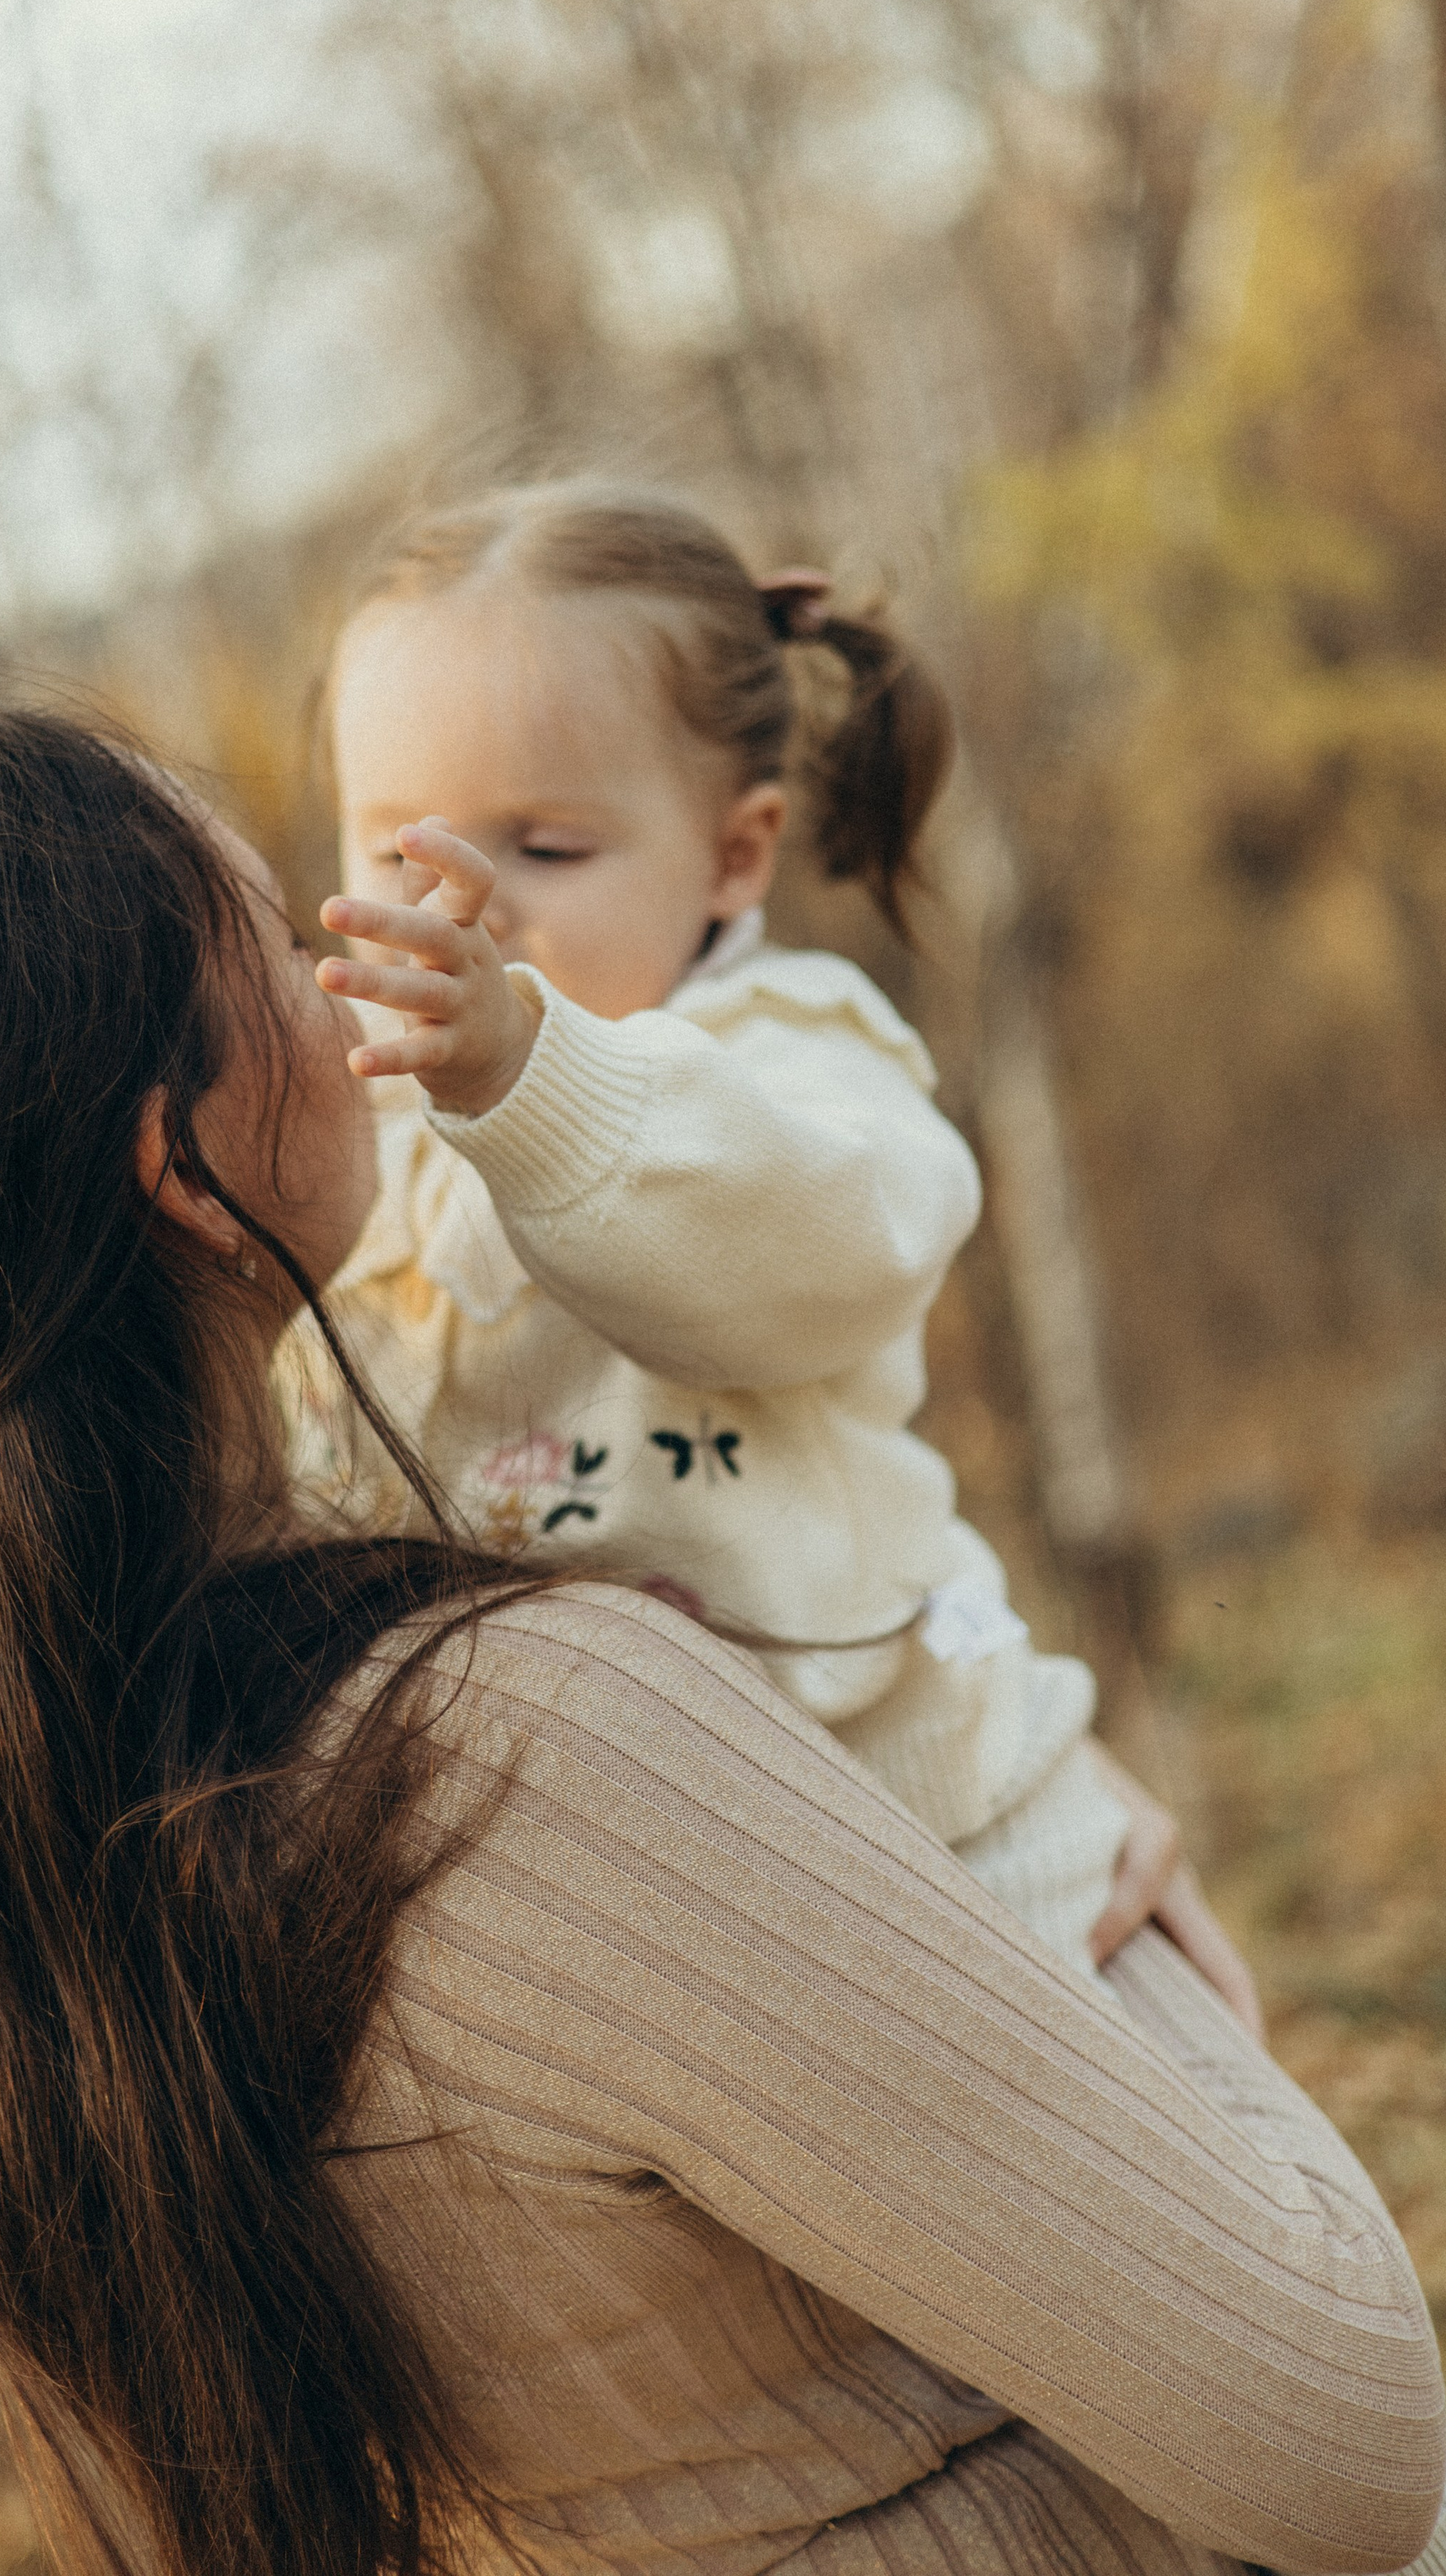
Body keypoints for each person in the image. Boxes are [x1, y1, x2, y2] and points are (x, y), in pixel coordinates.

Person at [0, 709, 1444, 2576]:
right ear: (184, 1170)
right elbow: (1337, 2441)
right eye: (284, 938)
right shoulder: (516, 1747)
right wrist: (1077, 1868)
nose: (355, 978)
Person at [305, 484, 1187, 1983]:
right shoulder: (353, 1128)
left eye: (546, 849)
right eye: (400, 852)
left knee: (1132, 2124)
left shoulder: (793, 1057)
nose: (464, 913)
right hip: (617, 1906)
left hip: (937, 1824)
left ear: (732, 855)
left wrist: (531, 1079)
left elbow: (801, 1242)